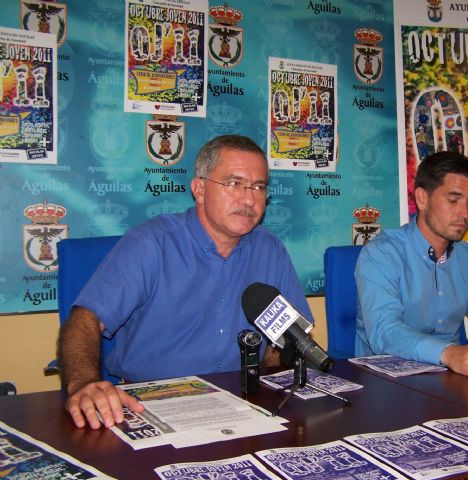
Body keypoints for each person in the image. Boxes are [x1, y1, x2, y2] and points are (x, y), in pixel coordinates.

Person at [58, 135, 312, 429]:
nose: (248, 199)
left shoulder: (270, 250)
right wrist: (84, 384)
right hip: (152, 403)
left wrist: (283, 370)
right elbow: (84, 320)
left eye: (259, 187)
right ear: (199, 190)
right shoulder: (151, 244)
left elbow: (285, 341)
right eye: (234, 183)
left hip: (242, 401)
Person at [355, 151, 468, 379]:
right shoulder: (382, 253)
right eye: (453, 200)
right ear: (422, 199)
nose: (464, 213)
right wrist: (448, 353)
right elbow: (384, 332)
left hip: (451, 377)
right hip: (387, 379)